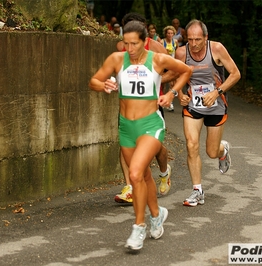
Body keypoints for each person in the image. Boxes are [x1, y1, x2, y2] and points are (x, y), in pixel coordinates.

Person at [89, 20, 192, 250]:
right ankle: (157, 214)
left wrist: (172, 93)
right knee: (143, 175)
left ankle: (139, 227)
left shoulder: (157, 59)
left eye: (134, 44)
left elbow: (186, 70)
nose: (130, 49)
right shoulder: (117, 59)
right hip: (126, 127)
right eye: (125, 43)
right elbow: (93, 81)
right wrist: (103, 85)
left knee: (134, 174)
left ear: (145, 41)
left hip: (151, 124)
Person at [175, 19, 241, 207]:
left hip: (216, 105)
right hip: (193, 105)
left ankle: (223, 149)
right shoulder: (181, 52)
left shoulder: (217, 49)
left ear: (206, 37)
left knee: (211, 152)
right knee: (191, 144)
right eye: (190, 40)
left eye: (198, 40)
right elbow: (175, 75)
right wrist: (179, 94)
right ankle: (197, 190)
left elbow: (235, 74)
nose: (194, 44)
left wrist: (217, 92)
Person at [115, 13, 174, 204]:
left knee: (156, 149)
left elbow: (174, 69)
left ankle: (164, 172)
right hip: (128, 108)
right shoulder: (121, 48)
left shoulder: (155, 47)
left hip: (152, 105)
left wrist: (157, 81)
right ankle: (130, 187)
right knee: (127, 144)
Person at [160, 25, 178, 112]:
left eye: (171, 33)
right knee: (162, 83)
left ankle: (170, 102)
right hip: (164, 64)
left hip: (172, 64)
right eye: (168, 33)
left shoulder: (175, 42)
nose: (170, 35)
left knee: (172, 84)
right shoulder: (161, 42)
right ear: (166, 34)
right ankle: (161, 99)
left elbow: (176, 52)